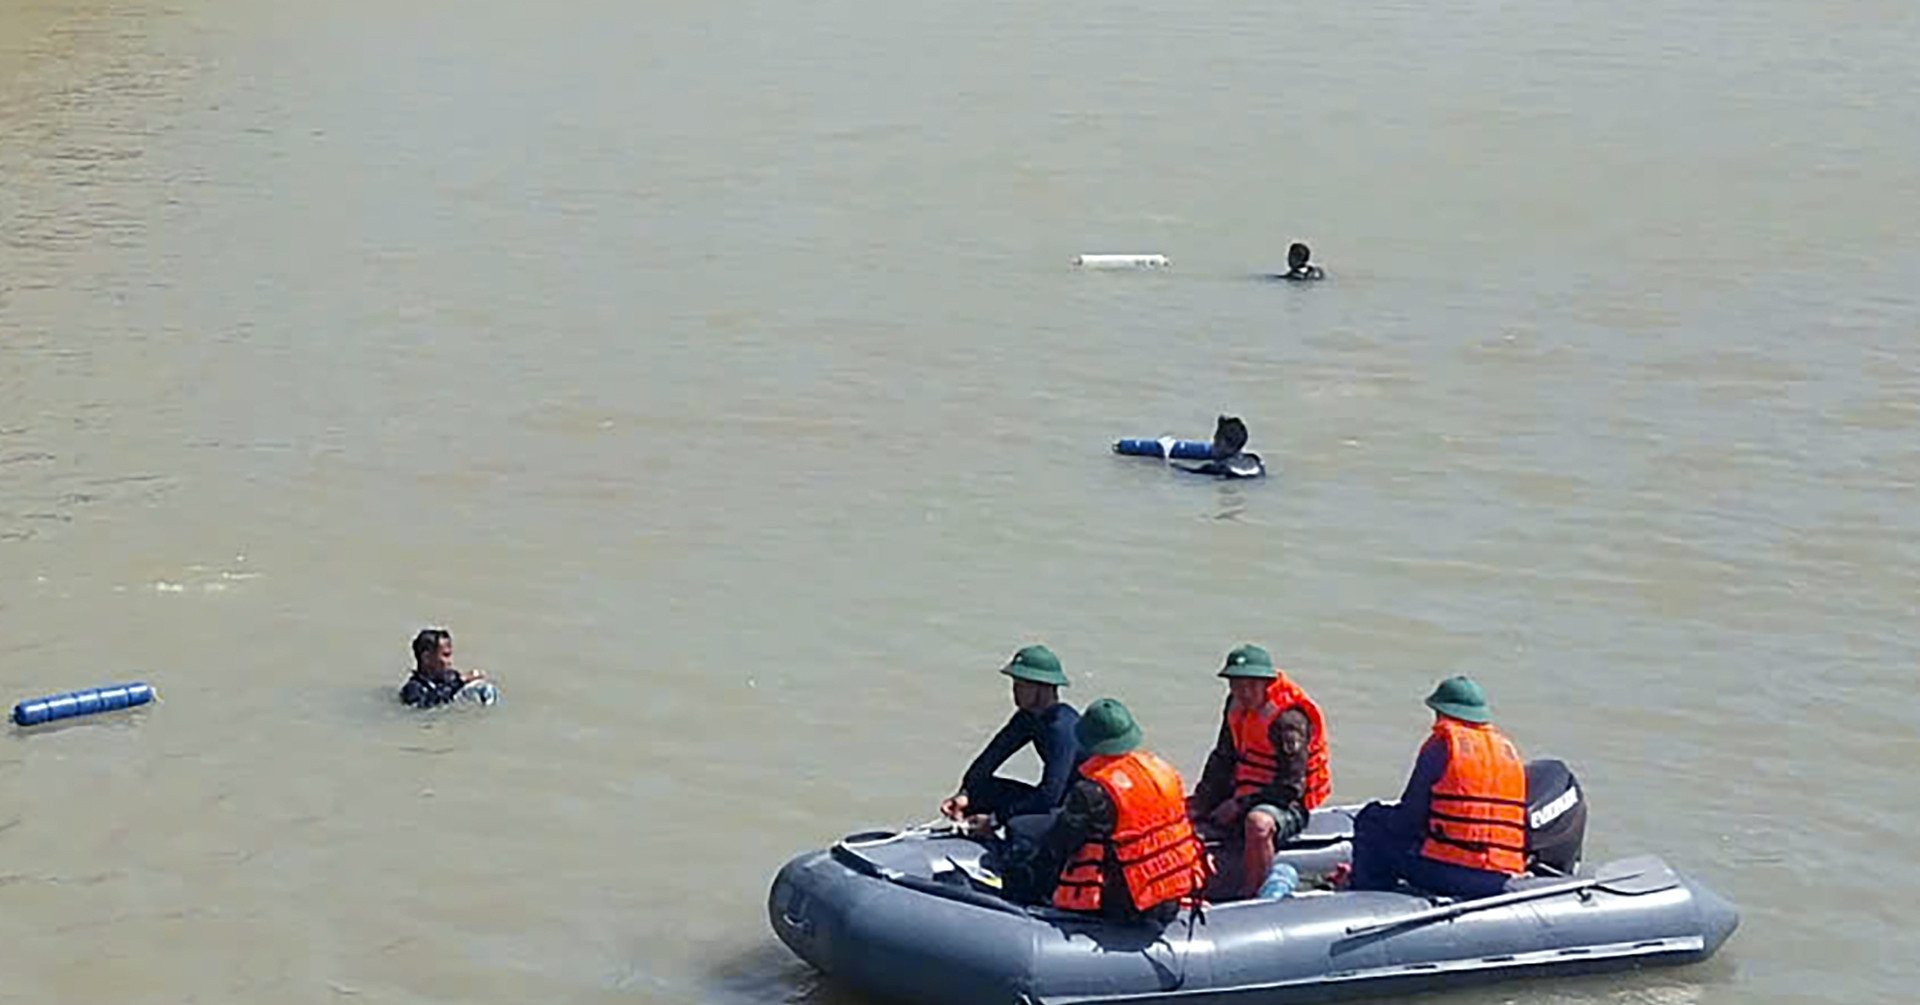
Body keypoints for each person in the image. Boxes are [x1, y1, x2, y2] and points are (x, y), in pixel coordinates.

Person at [1342, 676, 1527, 899]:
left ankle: (1367, 896)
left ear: (1442, 712)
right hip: (1500, 876)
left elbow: (1408, 820)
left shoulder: (1443, 746)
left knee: (1371, 820)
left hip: (1449, 873)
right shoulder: (1507, 752)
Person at [1040, 698, 1205, 922]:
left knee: (1039, 842)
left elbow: (1059, 843)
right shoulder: (1161, 770)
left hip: (1127, 903)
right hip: (1172, 893)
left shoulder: (1092, 791)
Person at [1188, 644, 1331, 898]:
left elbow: (1291, 787)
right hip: (1244, 789)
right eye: (1236, 684)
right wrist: (1201, 802)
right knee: (1185, 810)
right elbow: (1223, 758)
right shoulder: (1235, 706)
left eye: (1250, 685)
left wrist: (1240, 805)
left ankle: (1254, 895)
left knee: (1258, 824)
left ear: (1266, 683)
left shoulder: (1288, 721)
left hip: (1286, 803)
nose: (1243, 692)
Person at [940, 645, 1081, 835]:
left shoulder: (1062, 727)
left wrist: (995, 819)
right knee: (980, 789)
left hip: (1077, 810)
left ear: (1043, 688)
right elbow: (990, 758)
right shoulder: (1027, 718)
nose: (1014, 692)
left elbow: (1050, 795)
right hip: (1055, 800)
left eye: (1021, 686)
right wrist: (965, 794)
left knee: (1018, 825)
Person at [399, 628, 493, 708]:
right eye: (445, 655)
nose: (450, 661)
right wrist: (460, 681)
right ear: (426, 657)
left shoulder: (451, 677)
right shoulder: (413, 688)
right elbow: (426, 705)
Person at [1176, 415, 1265, 479]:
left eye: (1215, 439)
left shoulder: (1217, 468)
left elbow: (1188, 473)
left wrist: (1170, 465)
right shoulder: (1255, 460)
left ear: (1220, 442)